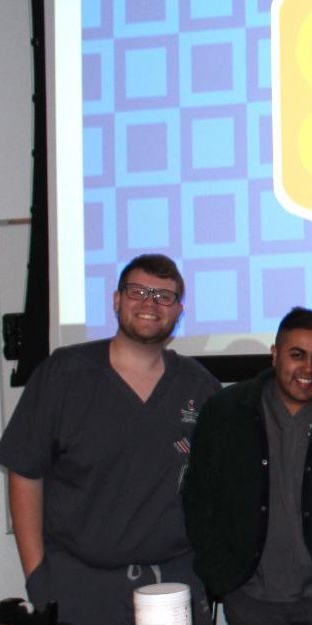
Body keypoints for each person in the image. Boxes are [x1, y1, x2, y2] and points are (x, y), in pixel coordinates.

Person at [0, 254, 221, 625]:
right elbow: (24, 472)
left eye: (163, 296)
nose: (150, 303)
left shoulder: (199, 387)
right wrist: (37, 576)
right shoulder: (64, 375)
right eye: (138, 292)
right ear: (117, 300)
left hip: (174, 584)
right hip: (81, 589)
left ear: (178, 311)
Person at [182, 307, 312, 624]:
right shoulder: (226, 413)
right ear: (275, 355)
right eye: (297, 355)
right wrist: (219, 571)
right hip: (247, 596)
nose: (308, 368)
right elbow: (199, 499)